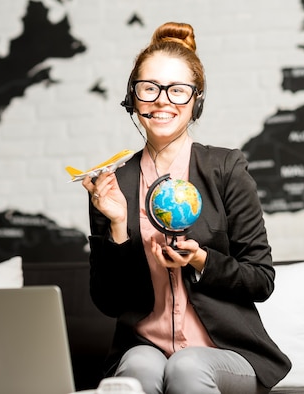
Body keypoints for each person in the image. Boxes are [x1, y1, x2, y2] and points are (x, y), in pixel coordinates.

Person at [82, 21, 290, 394]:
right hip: (146, 343)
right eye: (150, 89)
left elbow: (261, 279)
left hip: (223, 351)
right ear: (133, 98)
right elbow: (109, 301)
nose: (162, 100)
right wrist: (116, 225)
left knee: (187, 366)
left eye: (178, 91)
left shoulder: (225, 169)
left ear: (196, 101)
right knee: (137, 368)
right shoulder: (112, 183)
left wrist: (201, 261)